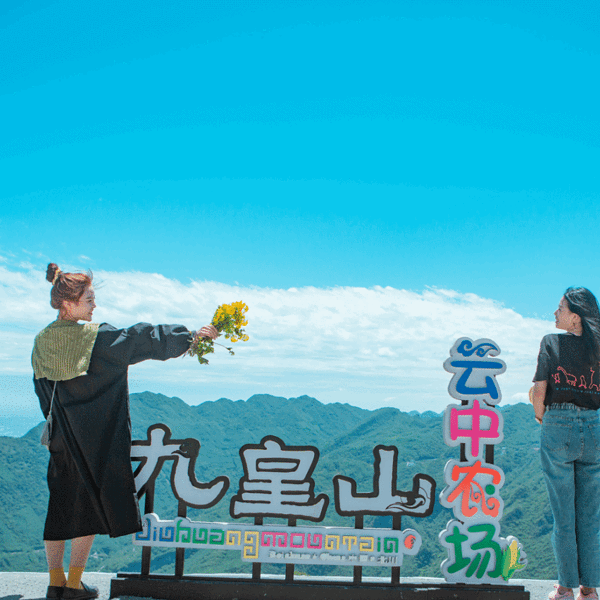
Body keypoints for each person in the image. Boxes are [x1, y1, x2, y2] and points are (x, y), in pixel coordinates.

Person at [31, 263, 218, 600]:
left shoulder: (43, 341)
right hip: (95, 439)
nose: (94, 305)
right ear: (68, 304)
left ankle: (54, 583)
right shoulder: (95, 338)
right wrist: (191, 338)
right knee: (89, 508)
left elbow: (42, 390)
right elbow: (140, 339)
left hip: (61, 438)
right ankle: (74, 584)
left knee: (59, 505)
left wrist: (60, 427)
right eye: (89, 300)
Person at [531, 287, 600, 600]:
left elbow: (539, 391)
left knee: (563, 516)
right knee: (590, 517)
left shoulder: (551, 342)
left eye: (560, 308)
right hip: (595, 427)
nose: (555, 313)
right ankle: (589, 589)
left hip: (558, 424)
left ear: (576, 317)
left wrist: (543, 418)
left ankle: (565, 589)